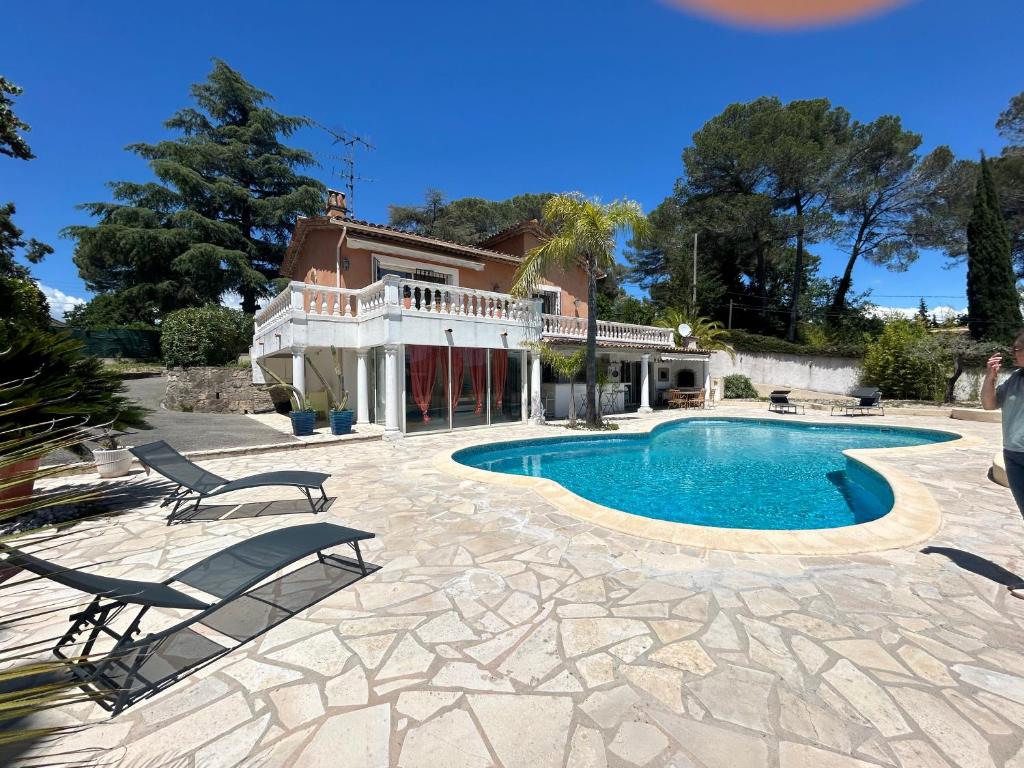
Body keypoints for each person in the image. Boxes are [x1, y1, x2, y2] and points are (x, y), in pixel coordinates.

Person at [983, 333, 1024, 597]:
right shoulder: (1015, 379)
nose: (1013, 352)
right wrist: (990, 376)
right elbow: (988, 404)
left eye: (1017, 348)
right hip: (1014, 455)